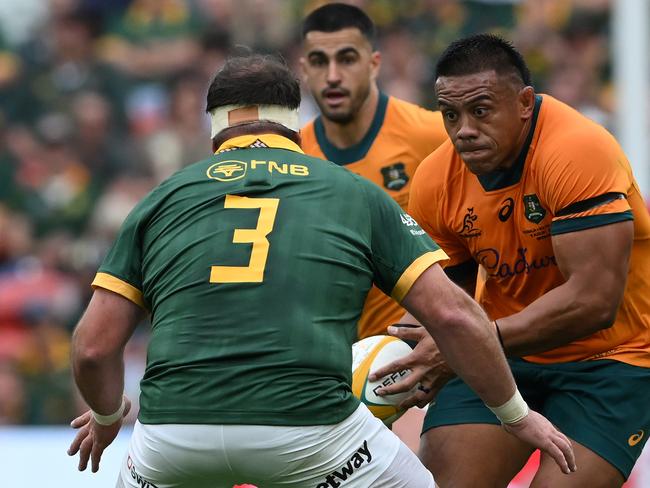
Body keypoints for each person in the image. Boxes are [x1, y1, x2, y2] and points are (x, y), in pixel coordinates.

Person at [66, 53, 575, 488]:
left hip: (171, 438)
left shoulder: (161, 198)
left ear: (214, 125)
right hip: (310, 433)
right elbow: (456, 318)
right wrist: (517, 416)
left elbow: (92, 347)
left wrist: (109, 417)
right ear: (296, 120)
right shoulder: (352, 191)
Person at [371, 34, 650, 487]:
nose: (463, 129)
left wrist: (467, 343)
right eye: (450, 114)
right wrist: (402, 359)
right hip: (502, 354)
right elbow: (444, 297)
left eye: (480, 110)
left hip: (612, 360)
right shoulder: (435, 179)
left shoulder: (578, 151)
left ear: (524, 103)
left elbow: (595, 302)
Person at [300, 3, 448, 339]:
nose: (333, 75)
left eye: (347, 59)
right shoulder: (295, 156)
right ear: (304, 69)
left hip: (430, 351)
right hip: (336, 361)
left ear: (374, 64)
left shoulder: (430, 135)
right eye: (320, 62)